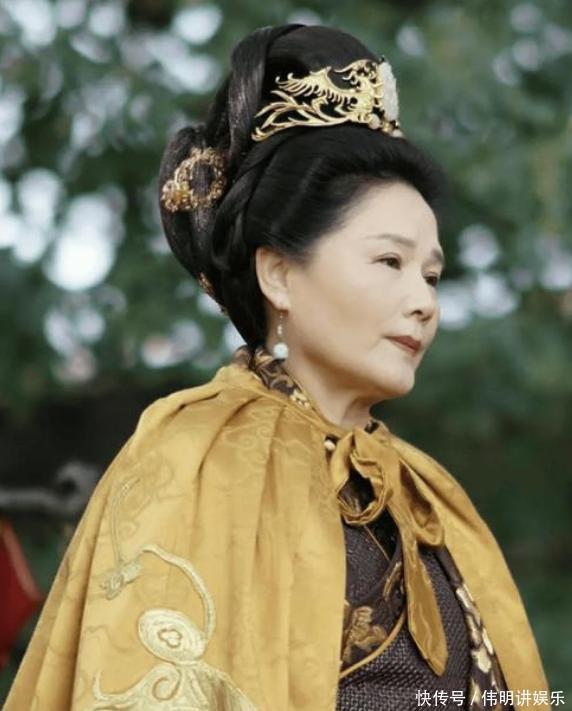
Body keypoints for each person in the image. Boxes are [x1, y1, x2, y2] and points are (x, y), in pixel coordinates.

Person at [5, 23, 549, 711]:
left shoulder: (433, 498)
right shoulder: (194, 455)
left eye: (432, 275)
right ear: (280, 275)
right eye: (390, 261)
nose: (423, 302)